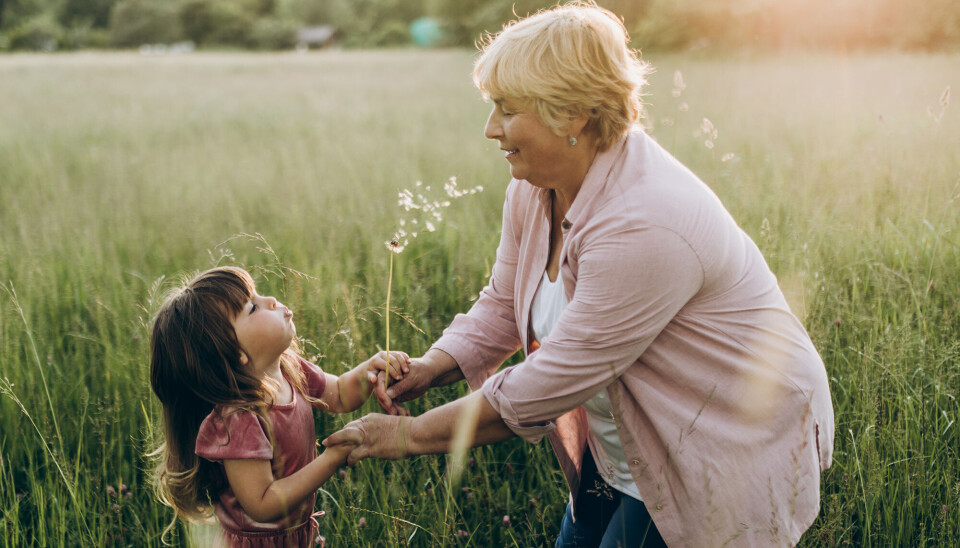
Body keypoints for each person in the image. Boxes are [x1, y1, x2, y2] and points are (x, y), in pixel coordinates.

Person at [325, 2, 836, 547]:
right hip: (625, 440)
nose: (490, 129)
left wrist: (406, 435)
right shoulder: (534, 187)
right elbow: (504, 302)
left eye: (507, 109)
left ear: (570, 114)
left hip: (715, 442)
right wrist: (432, 367)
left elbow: (549, 383)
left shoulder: (645, 222)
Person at [148, 266, 409, 547]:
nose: (271, 300)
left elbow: (341, 395)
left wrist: (369, 372)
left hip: (296, 533)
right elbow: (263, 504)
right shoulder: (240, 419)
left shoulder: (289, 369)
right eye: (253, 308)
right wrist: (332, 458)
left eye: (258, 294)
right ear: (235, 352)